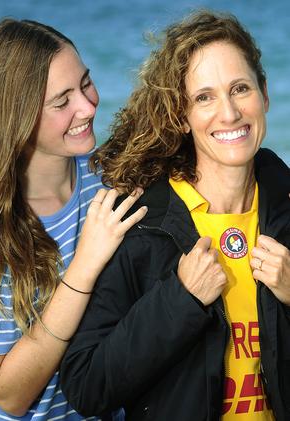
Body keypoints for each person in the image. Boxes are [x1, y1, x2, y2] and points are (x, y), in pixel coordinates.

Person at [60, 10, 290, 421]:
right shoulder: (142, 223)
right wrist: (179, 301)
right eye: (204, 97)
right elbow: (87, 385)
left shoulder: (286, 205)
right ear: (182, 116)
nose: (230, 113)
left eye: (240, 89)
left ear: (264, 94)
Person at [0, 18, 148, 421]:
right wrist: (85, 265)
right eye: (61, 101)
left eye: (86, 83)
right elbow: (10, 395)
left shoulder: (107, 176)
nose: (88, 107)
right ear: (15, 118)